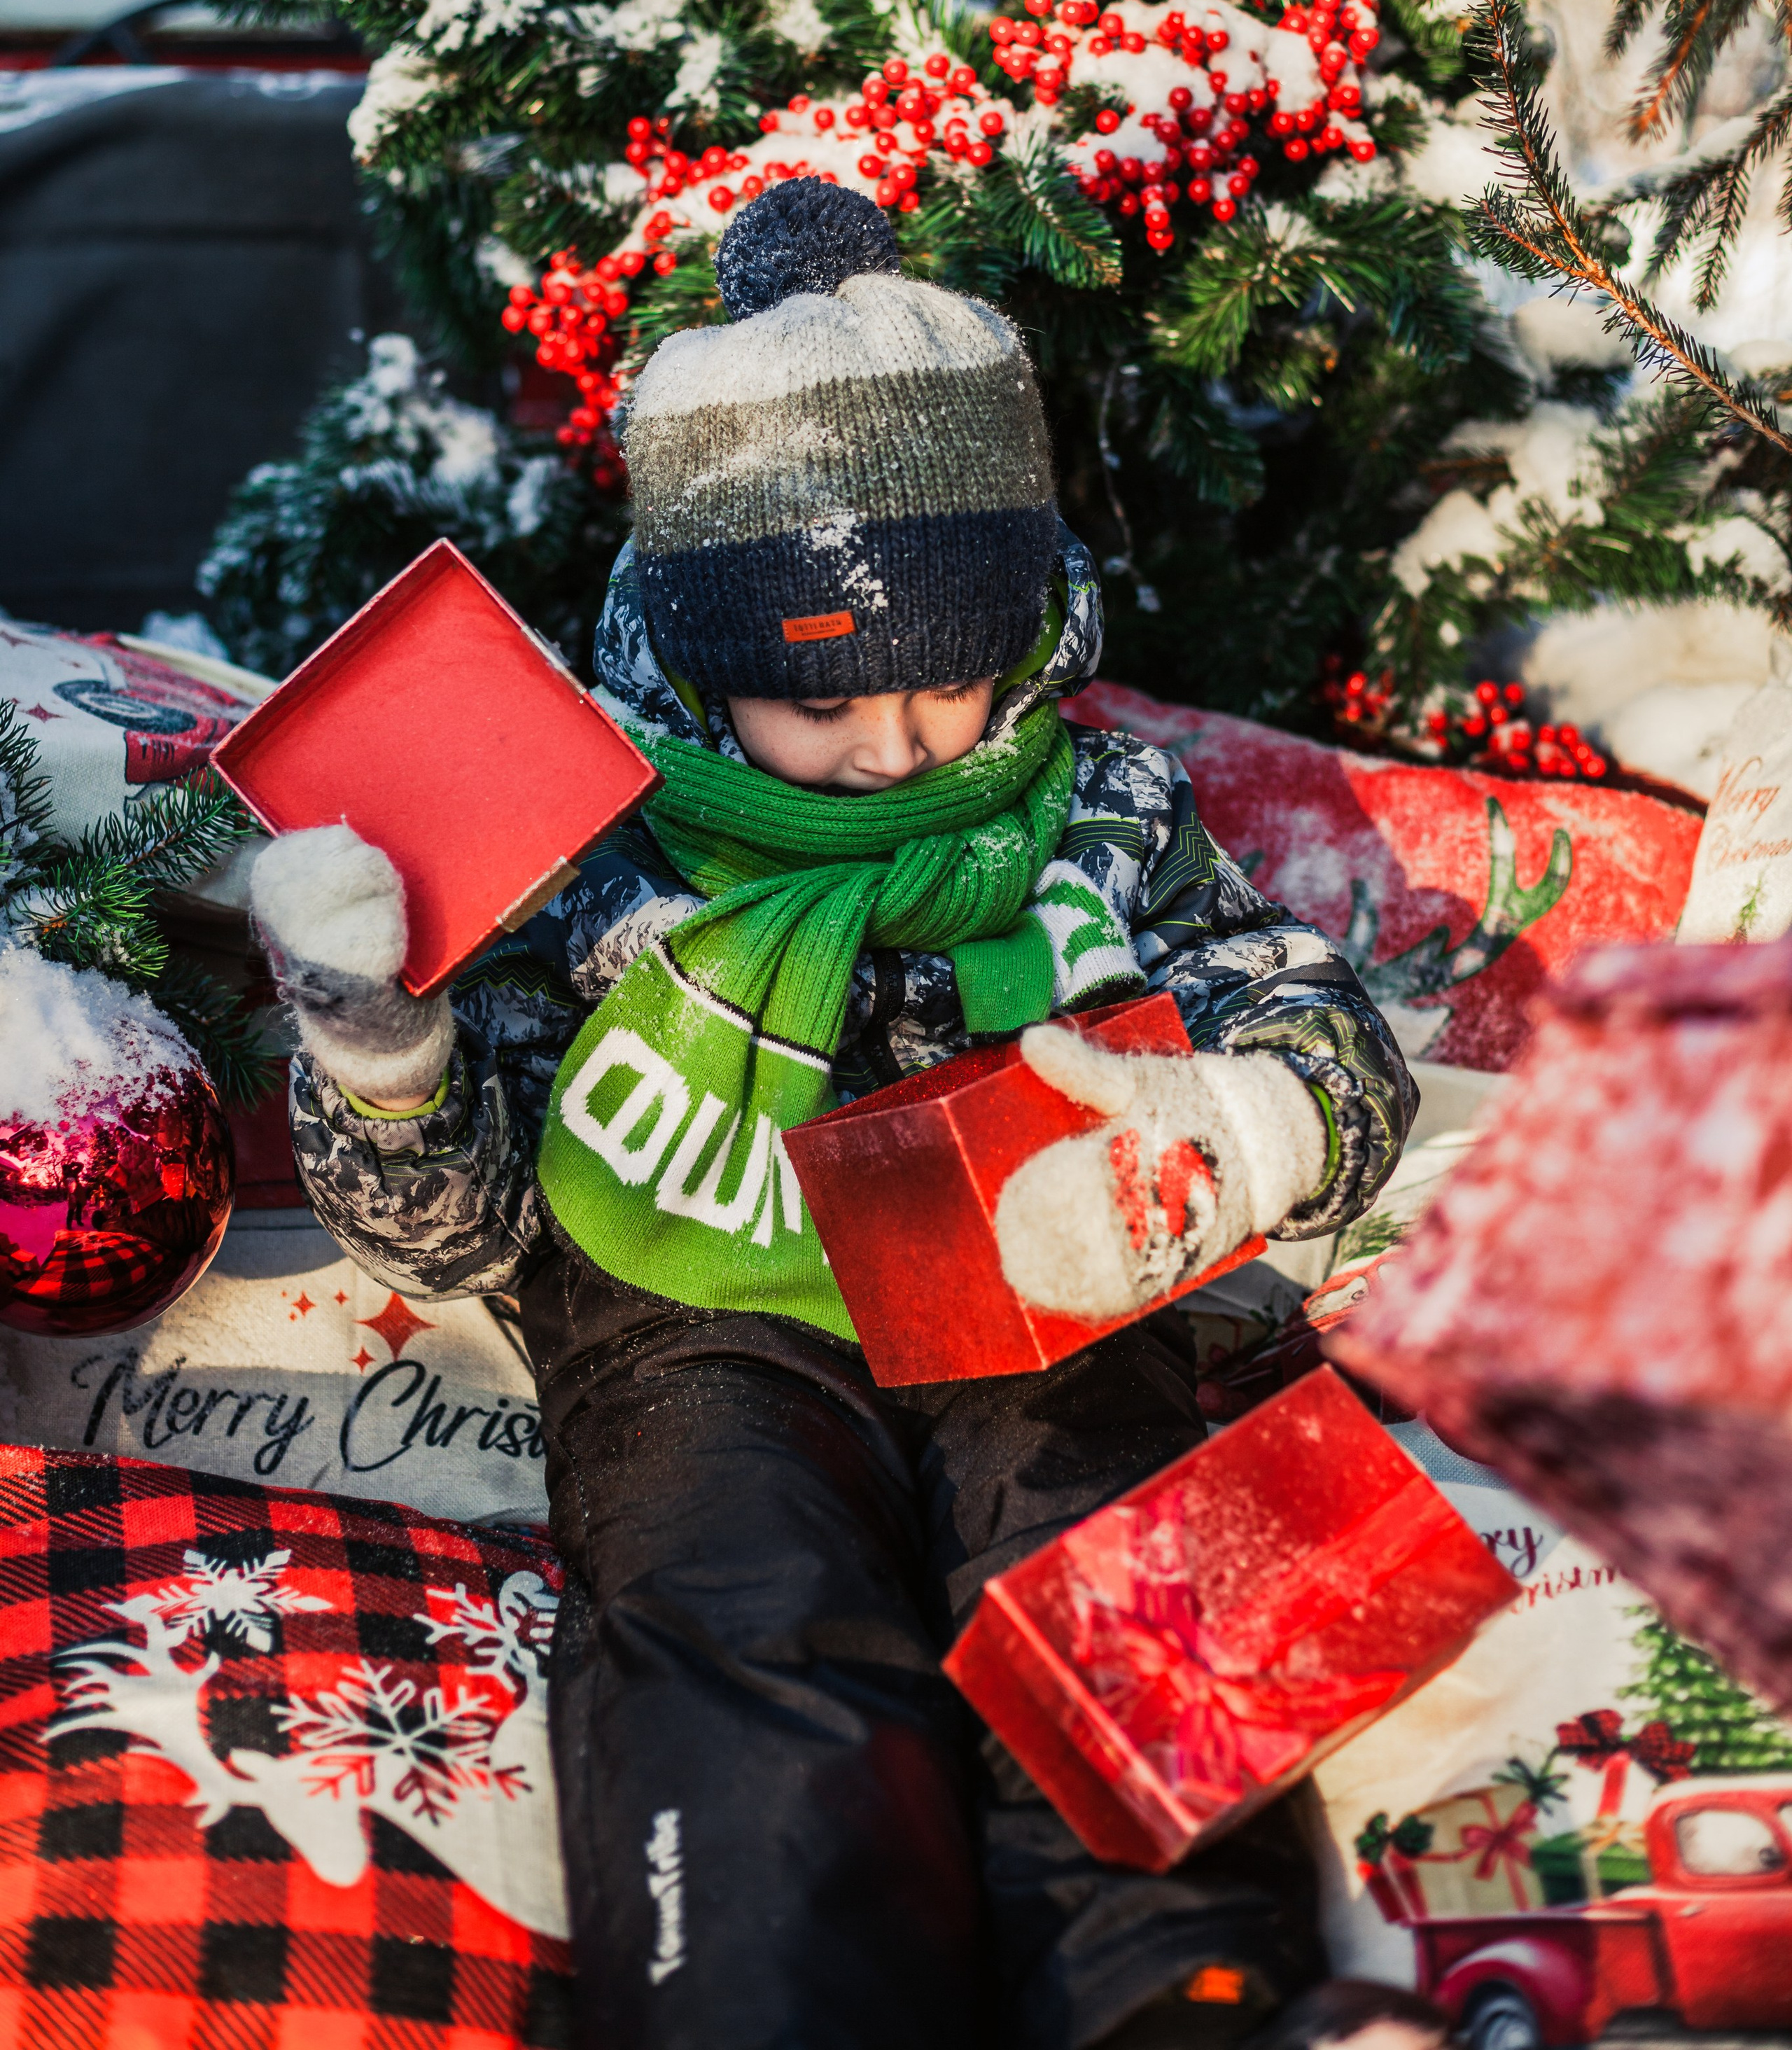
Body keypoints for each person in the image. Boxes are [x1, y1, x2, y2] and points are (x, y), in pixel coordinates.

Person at [250, 179, 1429, 2050]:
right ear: (716, 666)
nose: (891, 749)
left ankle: (1194, 1994)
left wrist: (1243, 1122)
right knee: (735, 1611)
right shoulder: (589, 845)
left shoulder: (1100, 807)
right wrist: (387, 1058)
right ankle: (771, 2001)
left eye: (949, 679)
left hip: (1032, 1257)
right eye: (822, 698)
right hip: (694, 1300)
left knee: (1108, 1537)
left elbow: (1314, 1024)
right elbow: (457, 1231)